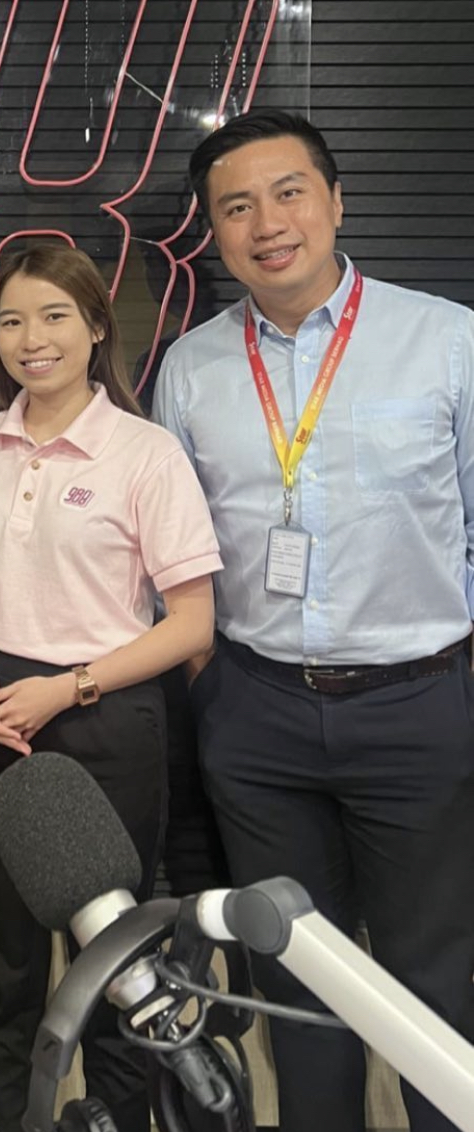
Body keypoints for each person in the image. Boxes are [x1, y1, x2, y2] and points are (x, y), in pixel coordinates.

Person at [153, 109, 474, 1132]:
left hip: (418, 705)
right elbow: (175, 553)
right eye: (235, 207)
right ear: (213, 231)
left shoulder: (448, 340)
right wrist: (215, 688)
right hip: (256, 715)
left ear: (336, 200)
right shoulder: (191, 367)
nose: (267, 224)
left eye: (288, 193)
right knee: (292, 978)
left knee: (435, 980)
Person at [0, 242, 222, 1132]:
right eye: (12, 320)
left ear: (97, 327)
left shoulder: (145, 452)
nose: (33, 338)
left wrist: (65, 690)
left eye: (55, 316)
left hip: (105, 719)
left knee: (116, 974)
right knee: (9, 973)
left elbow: (192, 624)